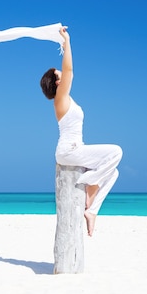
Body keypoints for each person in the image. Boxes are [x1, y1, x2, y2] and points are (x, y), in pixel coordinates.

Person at [40, 26, 122, 236]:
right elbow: (69, 70)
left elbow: (66, 72)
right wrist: (66, 42)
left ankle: (91, 210)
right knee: (116, 152)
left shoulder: (67, 100)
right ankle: (89, 182)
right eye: (60, 76)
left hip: (75, 150)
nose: (64, 76)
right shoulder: (60, 99)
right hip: (69, 151)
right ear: (58, 83)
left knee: (113, 172)